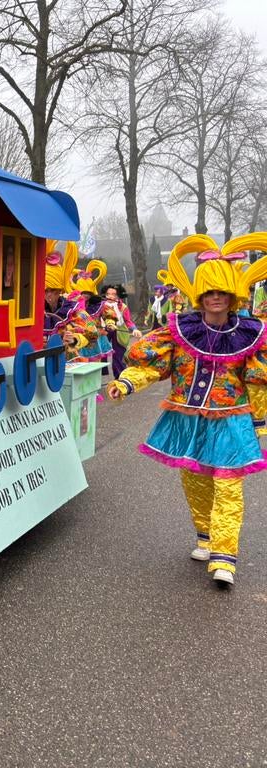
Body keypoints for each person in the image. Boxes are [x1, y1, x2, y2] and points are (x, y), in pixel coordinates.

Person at [107, 234, 267, 588]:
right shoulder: (180, 330)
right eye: (209, 292)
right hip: (187, 420)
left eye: (220, 292)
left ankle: (225, 558)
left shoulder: (251, 335)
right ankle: (206, 537)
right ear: (200, 296)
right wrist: (127, 382)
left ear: (231, 296)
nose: (214, 298)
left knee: (228, 485)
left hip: (231, 421)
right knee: (195, 481)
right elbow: (155, 366)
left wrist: (261, 424)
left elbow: (257, 382)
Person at [43, 243, 98, 360]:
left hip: (70, 364)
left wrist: (75, 339)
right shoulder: (33, 313)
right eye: (45, 290)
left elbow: (93, 334)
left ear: (60, 290)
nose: (48, 294)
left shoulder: (73, 310)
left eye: (53, 290)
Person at [69, 259, 113, 371]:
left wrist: (110, 323)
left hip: (95, 338)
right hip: (79, 337)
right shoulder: (72, 305)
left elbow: (109, 314)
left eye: (88, 293)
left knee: (94, 365)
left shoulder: (98, 304)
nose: (85, 296)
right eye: (83, 293)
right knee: (79, 364)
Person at [101, 284, 142, 377]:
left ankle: (120, 377)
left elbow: (128, 321)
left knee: (119, 355)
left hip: (119, 331)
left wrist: (134, 329)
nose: (110, 296)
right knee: (100, 353)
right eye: (108, 294)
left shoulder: (123, 306)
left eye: (114, 294)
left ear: (118, 295)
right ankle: (98, 377)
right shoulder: (100, 306)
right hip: (104, 331)